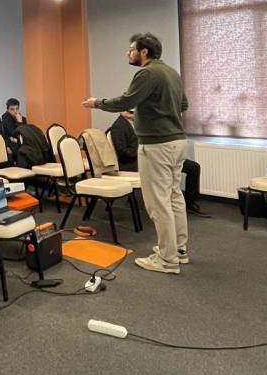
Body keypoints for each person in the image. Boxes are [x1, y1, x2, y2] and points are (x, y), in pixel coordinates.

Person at [83, 32, 189, 274]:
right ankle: (179, 250)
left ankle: (167, 259)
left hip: (157, 146)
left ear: (144, 52)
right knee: (174, 196)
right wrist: (149, 115)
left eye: (131, 49)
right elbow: (183, 105)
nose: (128, 53)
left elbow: (126, 101)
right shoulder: (171, 73)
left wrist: (97, 103)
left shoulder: (147, 73)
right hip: (177, 142)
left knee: (158, 203)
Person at [109, 111, 208, 216]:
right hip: (139, 162)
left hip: (157, 156)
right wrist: (142, 147)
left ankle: (190, 203)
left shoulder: (141, 123)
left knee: (193, 167)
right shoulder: (118, 126)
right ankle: (166, 205)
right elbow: (123, 153)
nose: (131, 111)